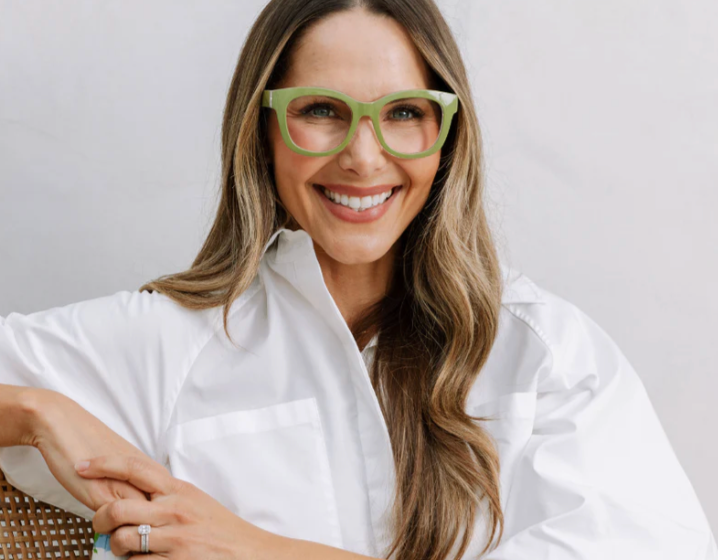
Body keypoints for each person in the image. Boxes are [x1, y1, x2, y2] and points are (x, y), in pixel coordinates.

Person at [0, 0, 715, 559]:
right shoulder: (172, 341)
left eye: (404, 113)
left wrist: (259, 551)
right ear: (262, 131)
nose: (364, 158)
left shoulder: (545, 354)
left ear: (447, 137)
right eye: (320, 110)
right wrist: (36, 412)